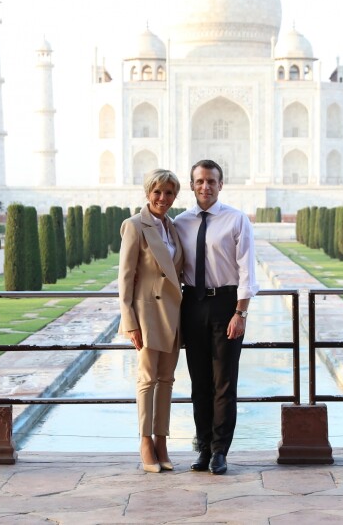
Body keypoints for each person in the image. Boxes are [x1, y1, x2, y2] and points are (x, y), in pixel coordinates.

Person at [174, 160, 259, 475]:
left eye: (211, 181)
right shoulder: (180, 222)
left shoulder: (235, 220)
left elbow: (247, 270)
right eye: (199, 181)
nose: (205, 187)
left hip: (226, 305)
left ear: (221, 185)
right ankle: (204, 447)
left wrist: (241, 312)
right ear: (192, 185)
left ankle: (221, 451)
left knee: (224, 382)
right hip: (192, 304)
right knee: (199, 383)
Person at [118, 169, 184, 473]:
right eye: (157, 192)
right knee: (147, 379)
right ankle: (145, 441)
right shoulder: (135, 226)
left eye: (169, 193)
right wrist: (129, 320)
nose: (163, 198)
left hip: (173, 313)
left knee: (167, 380)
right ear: (148, 193)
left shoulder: (173, 227)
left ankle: (162, 441)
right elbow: (126, 276)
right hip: (146, 314)